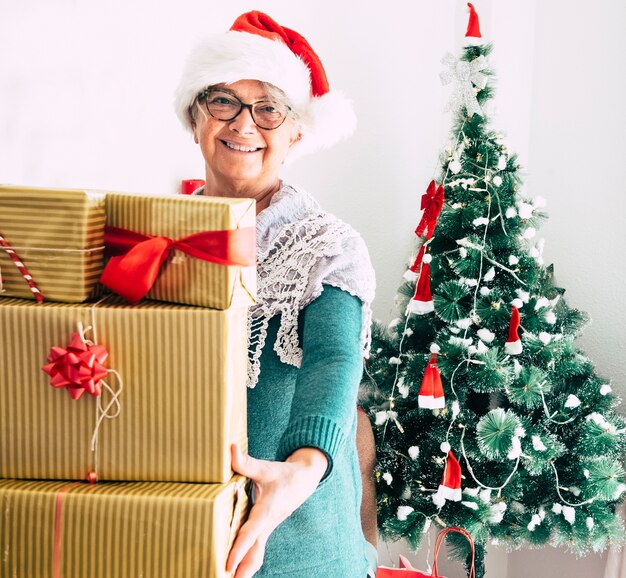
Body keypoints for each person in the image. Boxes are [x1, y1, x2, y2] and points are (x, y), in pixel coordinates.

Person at [174, 11, 376, 578]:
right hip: (171, 531)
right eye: (223, 102)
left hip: (297, 545)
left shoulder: (327, 246)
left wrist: (303, 469)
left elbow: (334, 362)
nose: (244, 124)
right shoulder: (149, 239)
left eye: (269, 109)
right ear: (195, 118)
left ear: (296, 132)